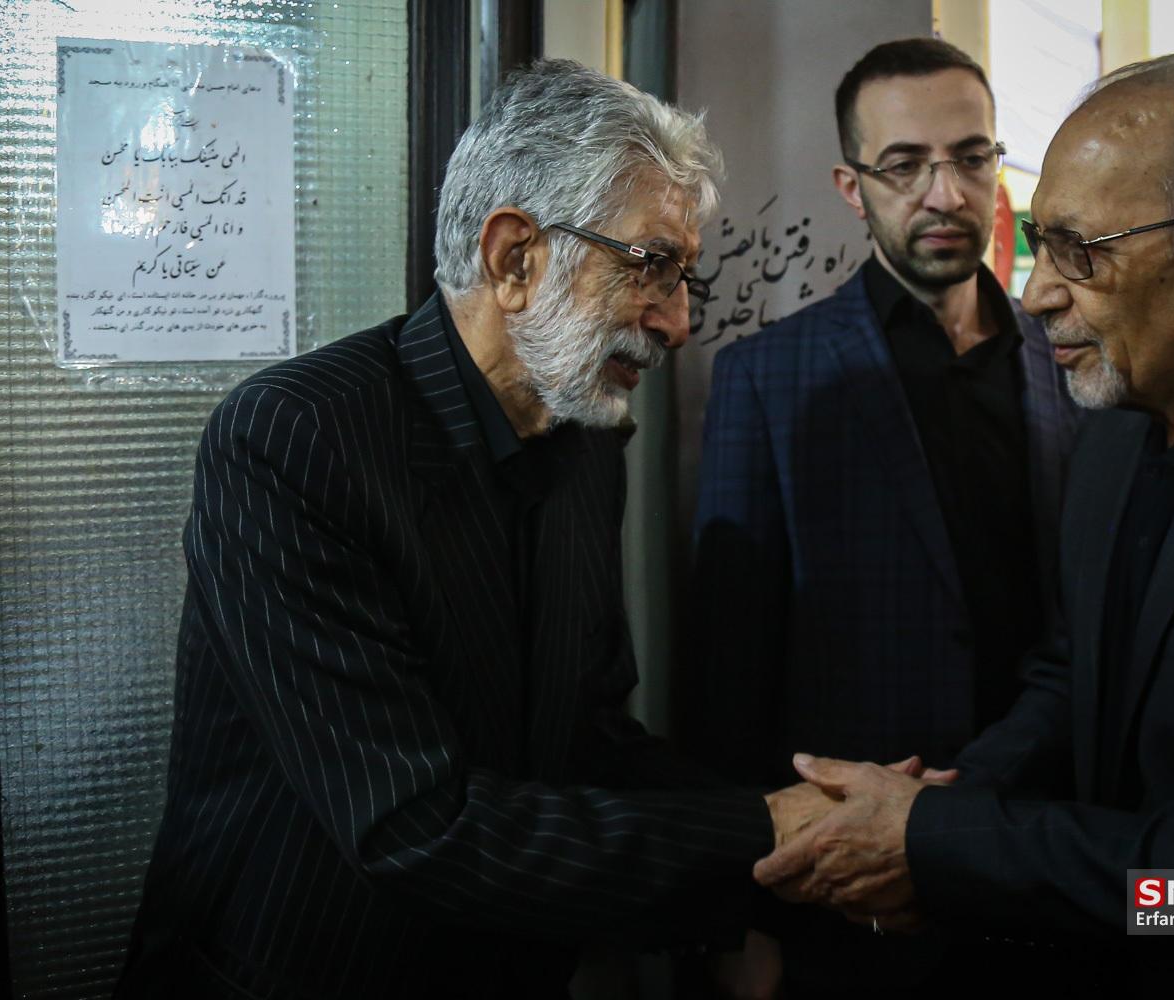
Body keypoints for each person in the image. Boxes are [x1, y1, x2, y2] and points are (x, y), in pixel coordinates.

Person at [117, 60, 826, 1000]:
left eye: (685, 276)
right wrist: (770, 834)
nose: (680, 322)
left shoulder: (585, 445)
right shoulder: (295, 440)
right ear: (514, 258)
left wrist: (807, 828)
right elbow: (413, 824)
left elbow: (588, 741)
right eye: (652, 266)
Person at [754, 52, 1174, 989]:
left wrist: (948, 848)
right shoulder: (1116, 422)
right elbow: (1076, 675)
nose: (1036, 292)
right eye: (1041, 239)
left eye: (1083, 251)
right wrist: (939, 805)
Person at [687, 37, 1075, 994]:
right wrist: (742, 919)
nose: (945, 193)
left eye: (971, 157)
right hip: (847, 898)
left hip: (1052, 864)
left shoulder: (1075, 365)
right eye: (904, 165)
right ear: (853, 188)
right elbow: (728, 678)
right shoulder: (768, 379)